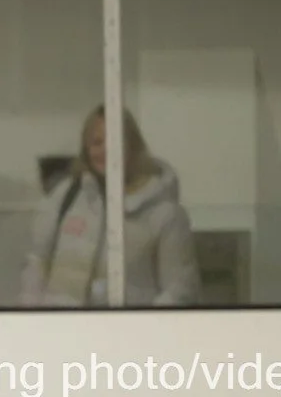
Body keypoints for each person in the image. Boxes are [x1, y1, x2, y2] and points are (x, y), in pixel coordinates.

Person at [20, 107, 200, 307]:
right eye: (96, 143)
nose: (105, 150)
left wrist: (143, 325)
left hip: (128, 326)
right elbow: (37, 263)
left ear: (133, 146)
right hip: (60, 325)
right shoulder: (65, 196)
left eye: (114, 141)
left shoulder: (164, 212)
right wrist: (33, 316)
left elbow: (179, 289)